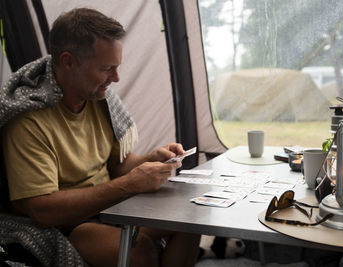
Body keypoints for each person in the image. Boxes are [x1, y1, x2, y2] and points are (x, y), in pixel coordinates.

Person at [0, 8, 200, 267]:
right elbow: (43, 210)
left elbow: (116, 165)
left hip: (110, 208)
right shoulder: (29, 120)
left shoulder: (98, 99)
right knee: (139, 253)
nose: (116, 78)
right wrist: (130, 184)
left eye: (116, 67)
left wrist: (150, 160)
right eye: (106, 68)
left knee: (191, 221)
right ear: (68, 61)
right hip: (70, 225)